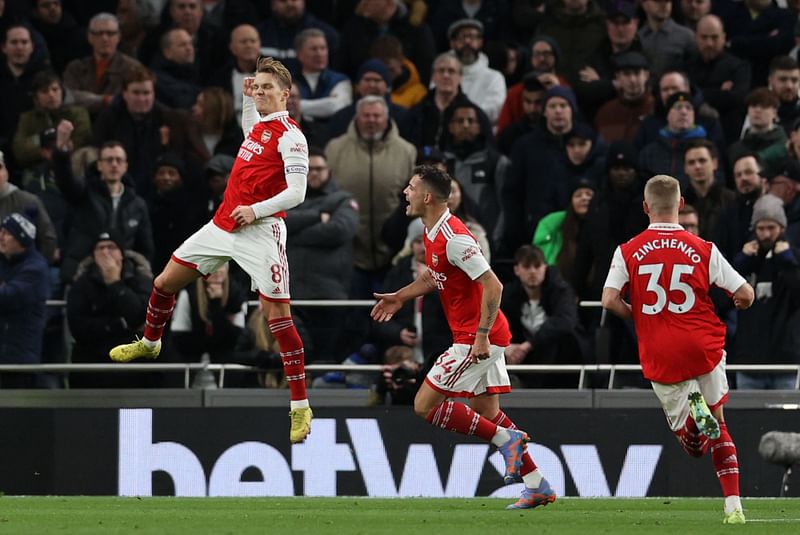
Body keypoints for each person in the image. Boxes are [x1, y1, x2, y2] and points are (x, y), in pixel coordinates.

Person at [108, 57, 314, 444]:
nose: (262, 92)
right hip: (223, 224)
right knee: (165, 281)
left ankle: (300, 407)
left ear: (286, 95)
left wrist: (255, 208)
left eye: (270, 88)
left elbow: (298, 193)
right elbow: (248, 122)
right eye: (259, 86)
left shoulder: (292, 135)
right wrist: (248, 96)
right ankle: (150, 344)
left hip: (261, 231)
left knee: (278, 321)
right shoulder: (258, 129)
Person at [371, 165, 556, 510]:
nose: (404, 194)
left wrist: (481, 336)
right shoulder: (431, 231)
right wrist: (400, 296)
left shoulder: (455, 238)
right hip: (478, 334)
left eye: (410, 188)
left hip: (476, 338)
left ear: (427, 197)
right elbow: (435, 278)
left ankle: (506, 441)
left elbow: (493, 285)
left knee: (424, 405)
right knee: (485, 410)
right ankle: (537, 484)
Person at [602, 174, 754, 524]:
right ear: (681, 205)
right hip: (703, 345)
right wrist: (736, 306)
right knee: (719, 425)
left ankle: (691, 423)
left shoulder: (627, 250)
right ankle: (734, 507)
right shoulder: (703, 248)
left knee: (691, 445)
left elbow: (609, 300)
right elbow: (745, 294)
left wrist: (640, 317)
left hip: (660, 348)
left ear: (645, 208)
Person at [66, 229, 153, 389]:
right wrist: (118, 325)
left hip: (133, 369)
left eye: (111, 247)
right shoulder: (81, 284)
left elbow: (140, 316)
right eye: (100, 248)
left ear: (121, 254)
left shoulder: (140, 280)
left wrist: (114, 283)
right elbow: (78, 328)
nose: (106, 252)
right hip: (92, 368)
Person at [732, 194, 800, 390]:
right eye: (761, 228)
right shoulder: (747, 259)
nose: (767, 234)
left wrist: (788, 264)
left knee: (786, 420)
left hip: (785, 362)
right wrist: (740, 264)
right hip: (749, 362)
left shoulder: (793, 258)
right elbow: (723, 298)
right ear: (754, 229)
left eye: (772, 228)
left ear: (783, 228)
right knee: (750, 419)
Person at [0, 212, 49, 388]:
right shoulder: (4, 261)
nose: (1, 237)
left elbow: (7, 298)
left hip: (19, 361)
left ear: (21, 239)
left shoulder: (35, 269)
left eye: (7, 233)